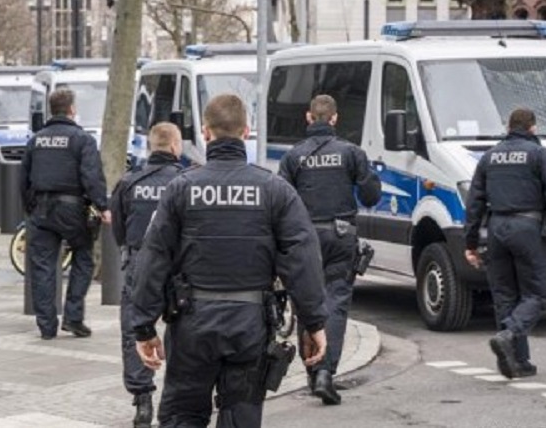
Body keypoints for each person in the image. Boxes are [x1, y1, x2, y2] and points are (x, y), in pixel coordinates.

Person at [130, 94, 329, 428]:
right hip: (249, 324)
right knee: (241, 416)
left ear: (205, 133)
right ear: (246, 132)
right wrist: (314, 322)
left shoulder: (181, 189)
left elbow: (154, 257)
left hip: (192, 325)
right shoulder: (274, 190)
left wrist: (144, 326)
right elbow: (302, 259)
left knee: (182, 416)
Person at [278, 94, 381, 405]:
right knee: (336, 302)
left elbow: (281, 203)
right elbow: (371, 195)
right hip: (340, 235)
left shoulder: (293, 156)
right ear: (334, 119)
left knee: (306, 303)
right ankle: (325, 373)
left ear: (309, 117)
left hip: (304, 237)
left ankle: (313, 373)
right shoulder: (351, 152)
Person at [464, 108, 546, 379]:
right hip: (528, 228)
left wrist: (470, 242)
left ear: (509, 127)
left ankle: (518, 361)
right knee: (539, 294)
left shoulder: (489, 157)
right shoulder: (540, 155)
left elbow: (474, 203)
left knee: (505, 296)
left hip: (496, 229)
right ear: (533, 128)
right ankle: (509, 334)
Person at [20, 88, 110, 340]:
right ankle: (73, 317)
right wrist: (102, 206)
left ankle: (46, 326)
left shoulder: (36, 140)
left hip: (40, 209)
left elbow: (23, 178)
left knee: (42, 267)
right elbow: (91, 177)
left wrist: (29, 208)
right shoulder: (82, 139)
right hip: (72, 210)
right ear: (71, 109)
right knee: (84, 257)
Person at [110, 122, 183, 428]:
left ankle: (142, 400)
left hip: (139, 261)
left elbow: (119, 230)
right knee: (183, 327)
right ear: (175, 146)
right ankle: (178, 396)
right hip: (177, 266)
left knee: (135, 328)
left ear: (152, 146)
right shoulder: (185, 181)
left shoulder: (129, 182)